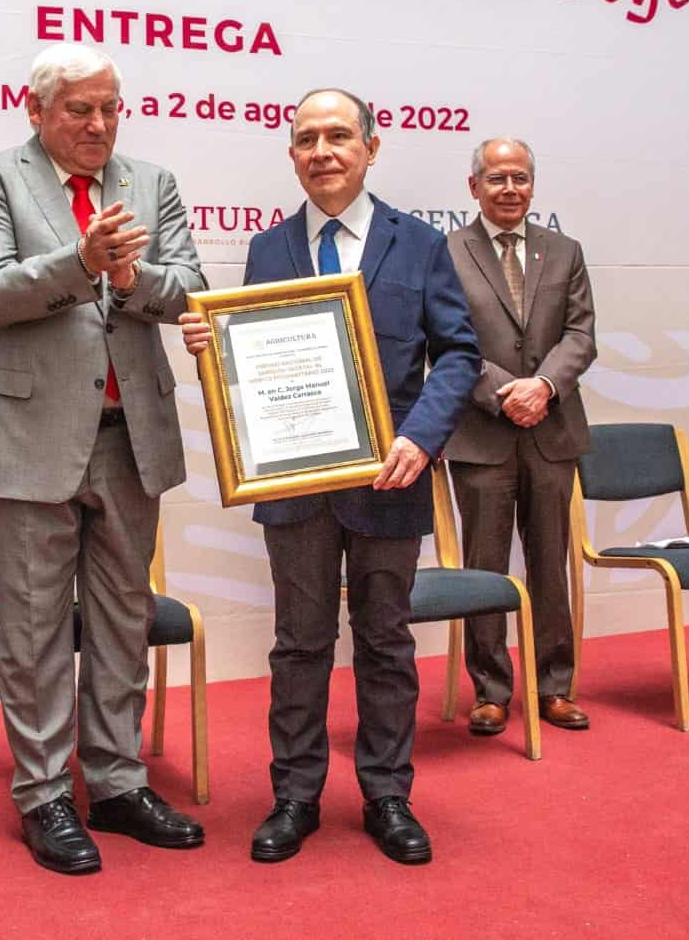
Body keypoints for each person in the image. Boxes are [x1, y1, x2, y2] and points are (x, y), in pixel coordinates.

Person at [180, 88, 480, 865]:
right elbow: (253, 364)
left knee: (386, 642)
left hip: (391, 478)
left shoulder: (419, 244)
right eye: (307, 138)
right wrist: (213, 352)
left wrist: (421, 436)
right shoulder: (267, 249)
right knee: (299, 643)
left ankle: (387, 794)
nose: (322, 150)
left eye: (338, 135)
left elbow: (458, 353)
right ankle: (295, 795)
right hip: (296, 487)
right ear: (291, 156)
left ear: (371, 148)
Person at [0, 44, 207, 874]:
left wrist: (130, 276)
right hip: (26, 441)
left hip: (129, 438)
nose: (98, 125)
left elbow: (188, 288)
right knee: (30, 629)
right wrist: (82, 262)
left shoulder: (151, 183)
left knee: (122, 619)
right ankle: (43, 794)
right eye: (79, 111)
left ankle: (118, 781)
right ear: (37, 111)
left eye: (108, 109)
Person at [443, 138, 596, 736]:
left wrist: (544, 388)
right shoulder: (448, 251)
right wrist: (510, 391)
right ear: (473, 185)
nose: (510, 189)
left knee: (549, 565)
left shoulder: (566, 251)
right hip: (482, 433)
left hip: (552, 431)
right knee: (484, 568)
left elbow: (581, 335)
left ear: (533, 185)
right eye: (497, 178)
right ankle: (491, 690)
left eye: (520, 178)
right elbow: (448, 340)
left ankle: (555, 686)